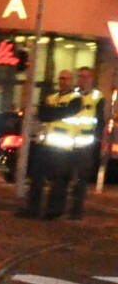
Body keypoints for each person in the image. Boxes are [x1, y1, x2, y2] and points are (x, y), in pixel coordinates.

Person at [18, 69, 76, 219]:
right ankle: (33, 209)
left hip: (64, 148)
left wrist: (52, 113)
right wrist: (55, 112)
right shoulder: (51, 97)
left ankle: (53, 212)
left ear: (71, 81)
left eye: (66, 79)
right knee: (36, 177)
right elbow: (43, 114)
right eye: (61, 78)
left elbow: (58, 113)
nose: (63, 81)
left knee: (59, 182)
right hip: (45, 145)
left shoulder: (76, 99)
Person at [55, 65, 107, 219]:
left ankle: (76, 212)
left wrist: (97, 141)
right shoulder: (71, 95)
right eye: (80, 76)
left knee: (79, 181)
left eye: (86, 76)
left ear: (91, 79)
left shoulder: (97, 97)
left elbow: (100, 121)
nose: (83, 80)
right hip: (67, 144)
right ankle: (58, 209)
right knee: (62, 178)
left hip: (84, 146)